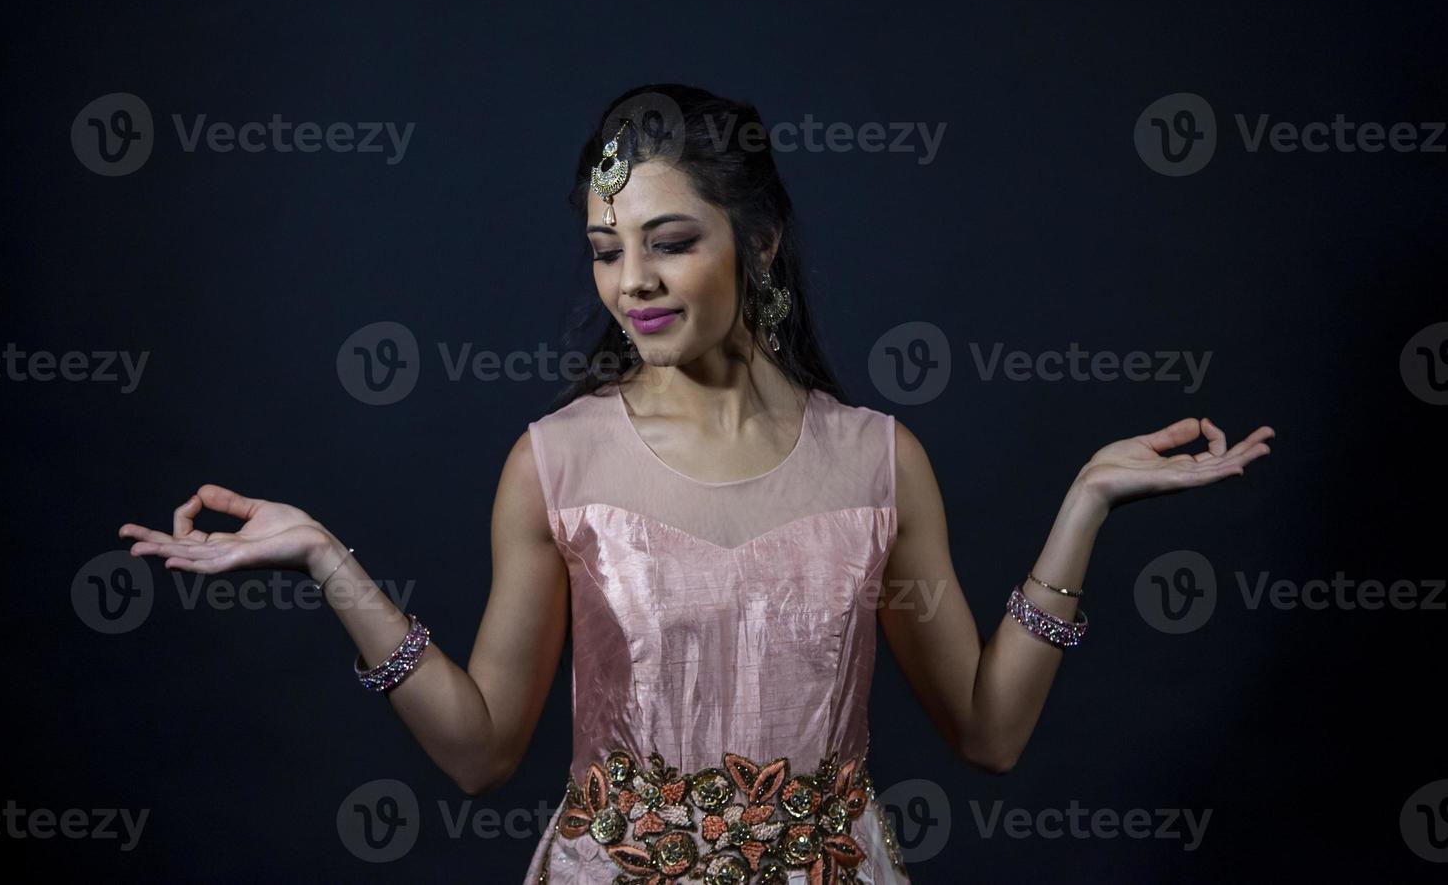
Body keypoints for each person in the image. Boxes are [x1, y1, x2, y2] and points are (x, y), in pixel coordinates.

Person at [118, 84, 1274, 884]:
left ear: (759, 240)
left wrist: (1083, 509)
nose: (634, 281)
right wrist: (329, 559)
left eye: (670, 240)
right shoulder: (555, 460)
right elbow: (480, 753)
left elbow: (989, 731)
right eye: (606, 249)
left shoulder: (879, 459)